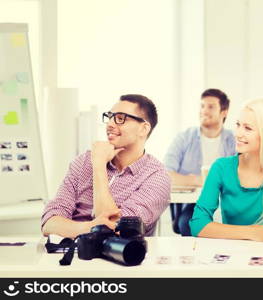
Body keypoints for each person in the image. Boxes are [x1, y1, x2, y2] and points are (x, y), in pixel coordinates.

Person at [41, 94, 171, 238]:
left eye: (120, 119)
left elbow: (116, 230)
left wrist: (99, 166)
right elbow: (49, 223)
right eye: (109, 117)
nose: (110, 124)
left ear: (144, 129)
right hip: (70, 255)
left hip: (117, 257)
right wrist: (90, 227)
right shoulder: (83, 162)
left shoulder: (157, 177)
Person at [189, 98, 263, 241]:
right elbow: (198, 224)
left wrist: (227, 231)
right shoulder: (221, 168)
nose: (238, 134)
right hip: (235, 253)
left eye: (248, 128)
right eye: (238, 125)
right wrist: (252, 233)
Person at [164, 89, 236, 236]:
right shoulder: (184, 138)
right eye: (202, 106)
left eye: (210, 107)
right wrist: (201, 180)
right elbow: (165, 174)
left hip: (228, 203)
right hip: (195, 205)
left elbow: (243, 174)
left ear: (224, 112)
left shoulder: (235, 140)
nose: (204, 111)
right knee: (188, 224)